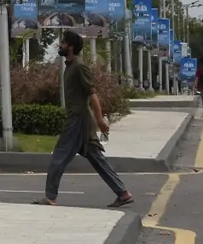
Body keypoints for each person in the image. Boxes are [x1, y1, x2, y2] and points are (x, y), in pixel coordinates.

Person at [34, 30, 133, 208]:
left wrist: (100, 120)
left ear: (71, 47)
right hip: (79, 120)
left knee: (58, 157)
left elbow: (92, 94)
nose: (60, 45)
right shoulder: (71, 66)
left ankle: (50, 197)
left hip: (78, 121)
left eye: (63, 42)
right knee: (96, 158)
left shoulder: (79, 67)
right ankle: (123, 193)